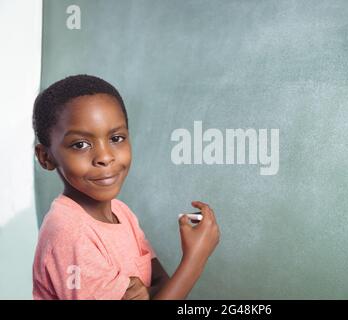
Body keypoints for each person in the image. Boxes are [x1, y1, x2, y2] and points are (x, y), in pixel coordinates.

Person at [32, 74, 220, 299]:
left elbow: (161, 282)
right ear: (46, 157)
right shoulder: (69, 234)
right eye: (80, 144)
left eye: (116, 138)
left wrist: (149, 291)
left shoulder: (121, 212)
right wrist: (195, 258)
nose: (105, 157)